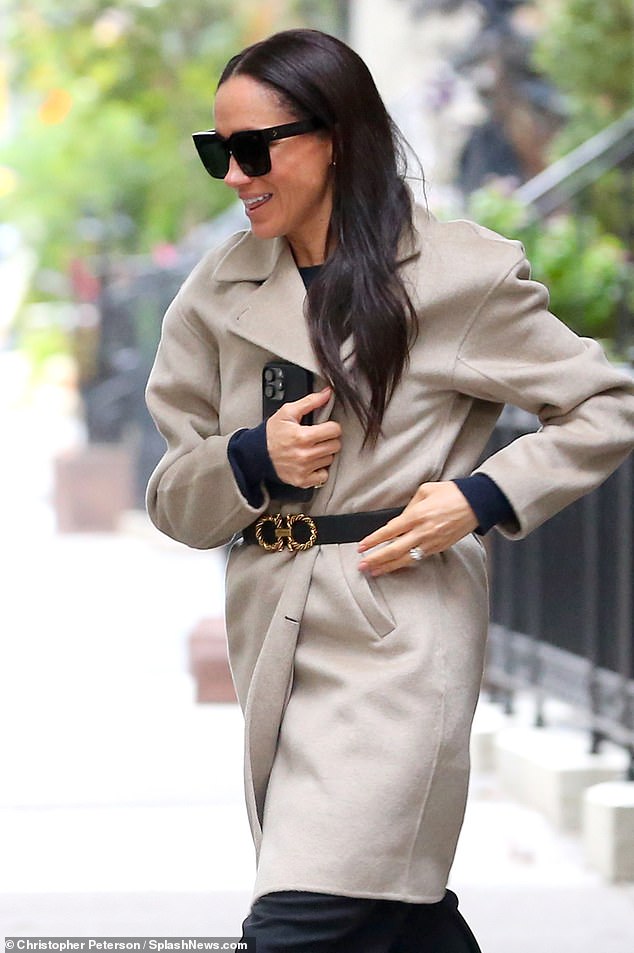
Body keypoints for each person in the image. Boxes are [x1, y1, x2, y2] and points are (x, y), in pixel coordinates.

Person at [145, 28, 634, 953]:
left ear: (337, 137)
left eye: (256, 148)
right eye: (220, 150)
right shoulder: (215, 295)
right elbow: (174, 493)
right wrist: (251, 459)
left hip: (399, 630)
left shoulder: (458, 272)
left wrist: (480, 497)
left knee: (304, 918)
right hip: (275, 629)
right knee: (390, 913)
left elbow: (605, 403)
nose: (235, 175)